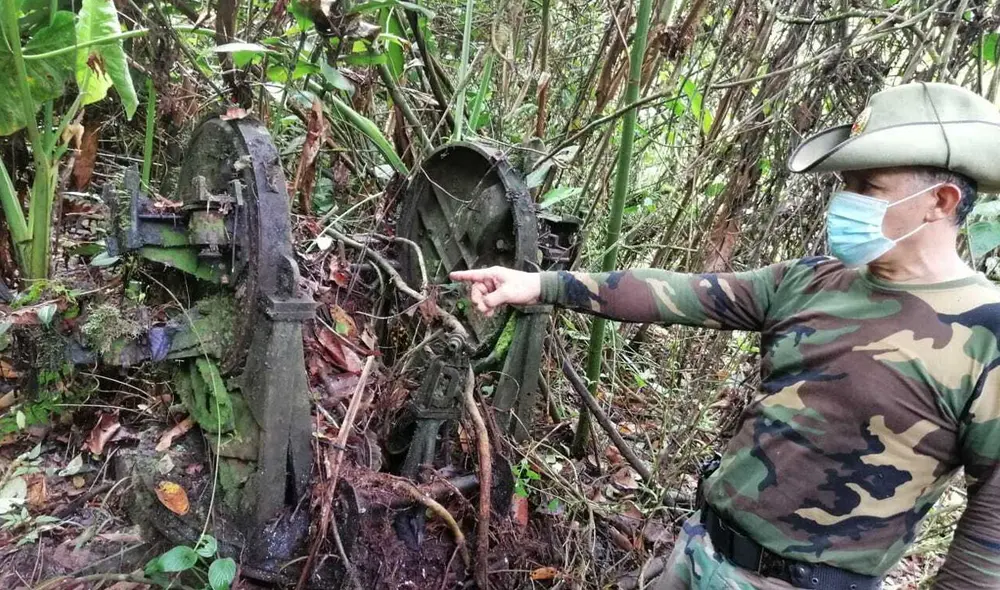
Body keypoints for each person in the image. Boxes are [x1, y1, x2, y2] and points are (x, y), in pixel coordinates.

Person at [450, 82, 1000, 589]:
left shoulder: (986, 332)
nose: (845, 201)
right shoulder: (810, 281)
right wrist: (539, 284)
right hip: (698, 552)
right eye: (845, 185)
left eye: (869, 187)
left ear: (941, 202)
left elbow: (991, 526)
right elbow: (675, 294)